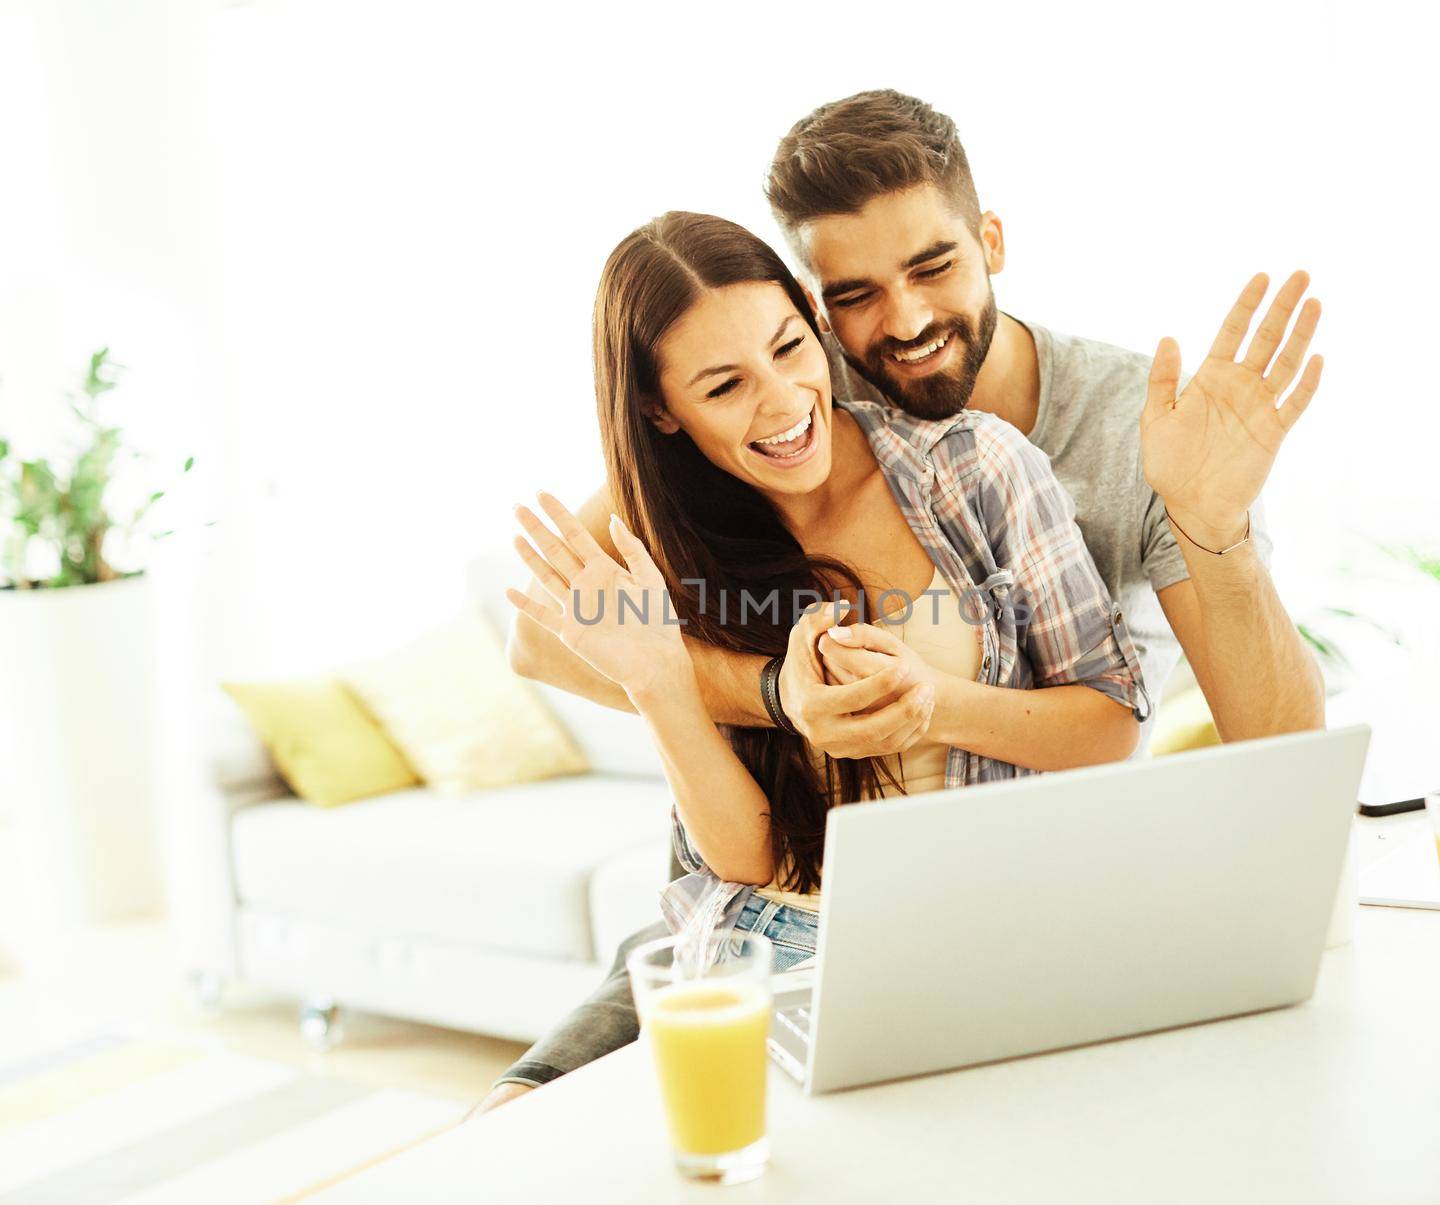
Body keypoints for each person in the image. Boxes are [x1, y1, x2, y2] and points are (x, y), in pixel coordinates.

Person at [476, 89, 1330, 1114]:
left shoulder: (1085, 436)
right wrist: (776, 695)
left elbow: (1268, 751)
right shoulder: (787, 371)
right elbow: (554, 629)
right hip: (738, 907)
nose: (907, 321)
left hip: (983, 909)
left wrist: (1211, 525)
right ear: (812, 299)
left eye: (934, 267)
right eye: (853, 296)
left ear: (992, 241)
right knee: (505, 1133)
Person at [466, 210, 1143, 1118]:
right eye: (725, 386)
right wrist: (687, 684)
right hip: (769, 944)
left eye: (791, 348)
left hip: (972, 929)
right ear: (661, 411)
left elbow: (1110, 720)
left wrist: (929, 704)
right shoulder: (668, 535)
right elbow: (745, 857)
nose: (784, 403)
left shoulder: (976, 470)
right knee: (507, 1133)